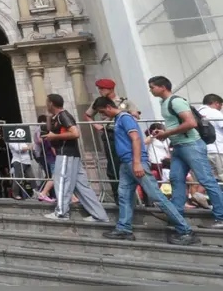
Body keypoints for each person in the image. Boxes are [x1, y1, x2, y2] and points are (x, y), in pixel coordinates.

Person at [92, 97, 199, 245]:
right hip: (126, 162)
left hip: (133, 161)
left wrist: (137, 163)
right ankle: (124, 228)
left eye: (102, 112)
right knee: (124, 196)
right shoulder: (118, 119)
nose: (102, 115)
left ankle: (186, 230)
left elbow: (136, 139)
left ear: (109, 107)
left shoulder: (124, 118)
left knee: (157, 196)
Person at [149, 76, 223, 227]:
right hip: (179, 146)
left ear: (162, 87)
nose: (151, 90)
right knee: (176, 179)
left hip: (191, 145)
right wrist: (165, 133)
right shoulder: (164, 102)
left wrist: (167, 134)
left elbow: (190, 122)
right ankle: (176, 213)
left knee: (206, 180)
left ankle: (220, 216)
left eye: (152, 87)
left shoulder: (175, 101)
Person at [42, 94, 108, 222]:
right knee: (82, 186)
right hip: (71, 155)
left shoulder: (63, 116)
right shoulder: (58, 117)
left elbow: (75, 133)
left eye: (47, 102)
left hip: (66, 153)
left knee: (61, 182)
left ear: (51, 103)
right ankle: (100, 215)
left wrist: (54, 137)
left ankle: (61, 213)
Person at [83, 79, 140, 203]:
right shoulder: (98, 102)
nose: (100, 91)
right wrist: (96, 125)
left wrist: (130, 115)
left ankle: (139, 198)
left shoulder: (124, 102)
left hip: (124, 133)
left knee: (130, 163)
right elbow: (87, 114)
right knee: (113, 166)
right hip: (110, 134)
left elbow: (136, 115)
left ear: (110, 89)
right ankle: (118, 198)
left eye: (102, 88)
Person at [200, 93, 223, 180]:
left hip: (203, 150)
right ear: (216, 103)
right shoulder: (214, 112)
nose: (221, 108)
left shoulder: (196, 113)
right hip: (218, 149)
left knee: (209, 179)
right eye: (221, 105)